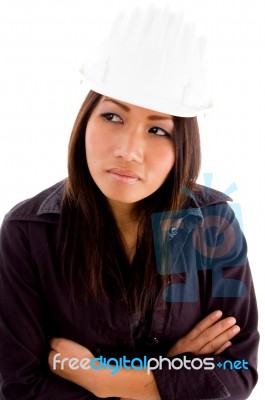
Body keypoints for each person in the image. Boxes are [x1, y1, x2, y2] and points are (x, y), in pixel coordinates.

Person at [0, 5, 259, 400]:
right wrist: (170, 372)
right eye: (113, 117)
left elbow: (237, 372)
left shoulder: (211, 220)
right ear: (85, 119)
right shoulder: (29, 231)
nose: (129, 150)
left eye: (158, 129)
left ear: (183, 146)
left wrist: (100, 377)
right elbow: (20, 386)